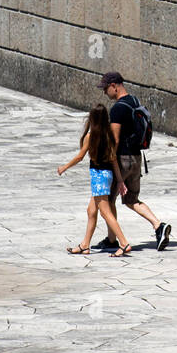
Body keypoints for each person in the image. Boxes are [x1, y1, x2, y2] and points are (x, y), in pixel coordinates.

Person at [95, 72, 171, 251]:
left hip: (122, 159)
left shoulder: (117, 109)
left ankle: (113, 240)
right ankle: (158, 225)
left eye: (106, 88)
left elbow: (115, 139)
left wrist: (109, 161)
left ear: (115, 85)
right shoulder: (135, 101)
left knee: (108, 199)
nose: (105, 92)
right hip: (137, 158)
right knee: (131, 199)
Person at [57, 104, 132, 257]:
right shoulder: (109, 135)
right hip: (107, 176)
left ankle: (124, 243)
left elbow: (80, 157)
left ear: (92, 119)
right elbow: (113, 160)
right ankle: (85, 245)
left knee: (105, 212)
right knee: (91, 210)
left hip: (98, 177)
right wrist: (119, 180)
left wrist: (64, 167)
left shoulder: (90, 136)